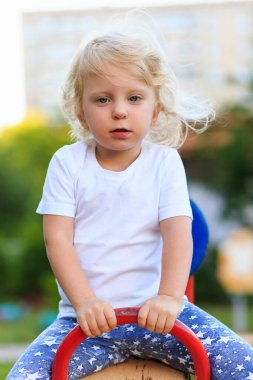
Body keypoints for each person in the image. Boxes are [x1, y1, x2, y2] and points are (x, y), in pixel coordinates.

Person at [8, 12, 253, 380]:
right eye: (103, 99)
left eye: (134, 97)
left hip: (164, 317)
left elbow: (177, 234)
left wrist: (170, 298)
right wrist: (85, 303)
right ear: (80, 108)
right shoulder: (68, 163)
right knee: (25, 376)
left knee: (243, 365)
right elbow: (56, 239)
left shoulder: (165, 163)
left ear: (155, 108)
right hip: (86, 324)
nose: (120, 110)